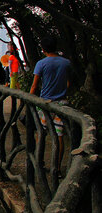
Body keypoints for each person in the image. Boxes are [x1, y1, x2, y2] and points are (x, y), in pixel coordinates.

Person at [29, 36, 71, 174]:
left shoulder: (41, 63)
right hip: (62, 104)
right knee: (59, 136)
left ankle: (39, 163)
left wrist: (29, 99)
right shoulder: (66, 63)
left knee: (41, 133)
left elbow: (34, 86)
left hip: (45, 104)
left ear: (43, 49)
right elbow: (68, 83)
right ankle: (57, 168)